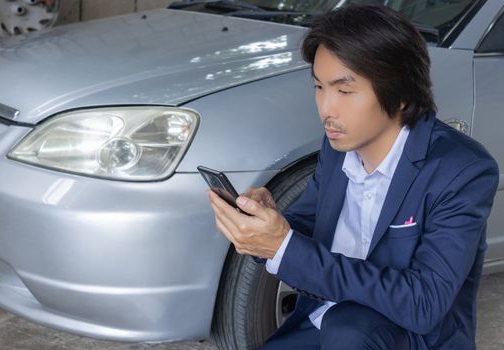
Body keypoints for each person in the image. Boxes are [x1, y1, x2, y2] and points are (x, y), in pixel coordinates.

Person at [208, 4, 499, 349]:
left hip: (405, 337)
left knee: (349, 329)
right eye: (319, 87)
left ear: (401, 93)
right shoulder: (338, 149)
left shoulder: (461, 170)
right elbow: (306, 232)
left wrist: (284, 247)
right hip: (324, 323)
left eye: (344, 91)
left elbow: (424, 303)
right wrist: (267, 230)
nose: (326, 108)